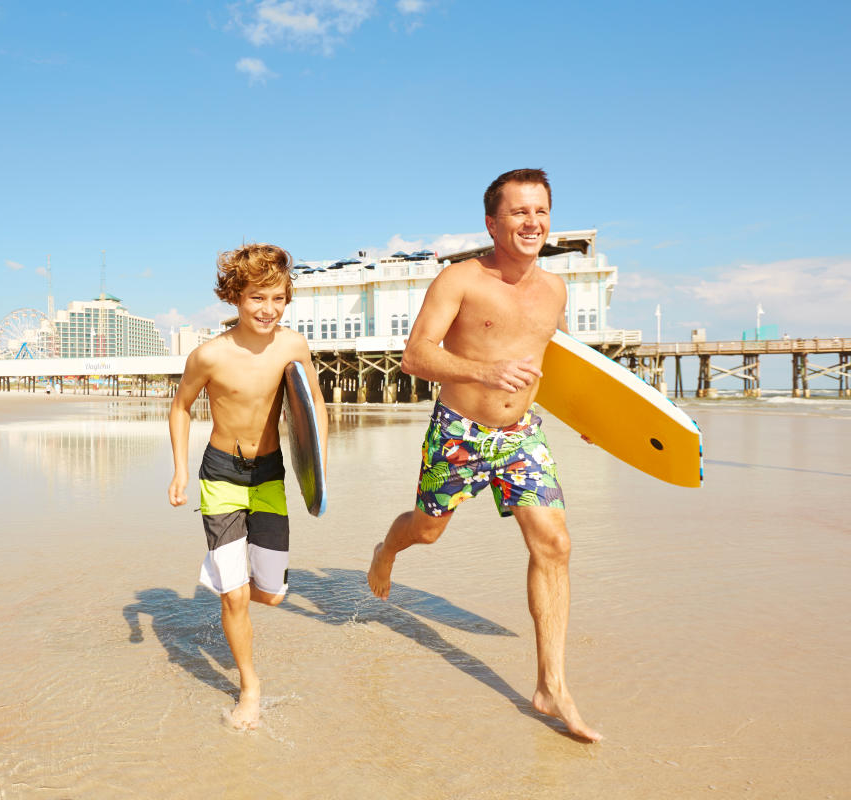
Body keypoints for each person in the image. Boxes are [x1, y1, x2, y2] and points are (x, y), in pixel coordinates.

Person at [366, 168, 602, 742]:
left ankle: (551, 685)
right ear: (493, 222)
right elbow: (416, 356)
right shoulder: (460, 280)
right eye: (519, 212)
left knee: (555, 542)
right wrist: (485, 370)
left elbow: (559, 365)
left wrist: (595, 420)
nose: (533, 222)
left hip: (521, 434)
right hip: (460, 431)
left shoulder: (555, 289)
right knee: (426, 531)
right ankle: (385, 549)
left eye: (541, 211)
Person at [168, 243, 327, 730]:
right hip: (220, 475)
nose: (268, 308)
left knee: (272, 594)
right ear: (235, 296)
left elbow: (315, 404)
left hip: (271, 474)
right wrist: (179, 470)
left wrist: (319, 465)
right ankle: (249, 686)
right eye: (258, 297)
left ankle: (228, 575)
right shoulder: (209, 355)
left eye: (278, 298)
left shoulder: (293, 346)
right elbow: (180, 407)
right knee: (235, 597)